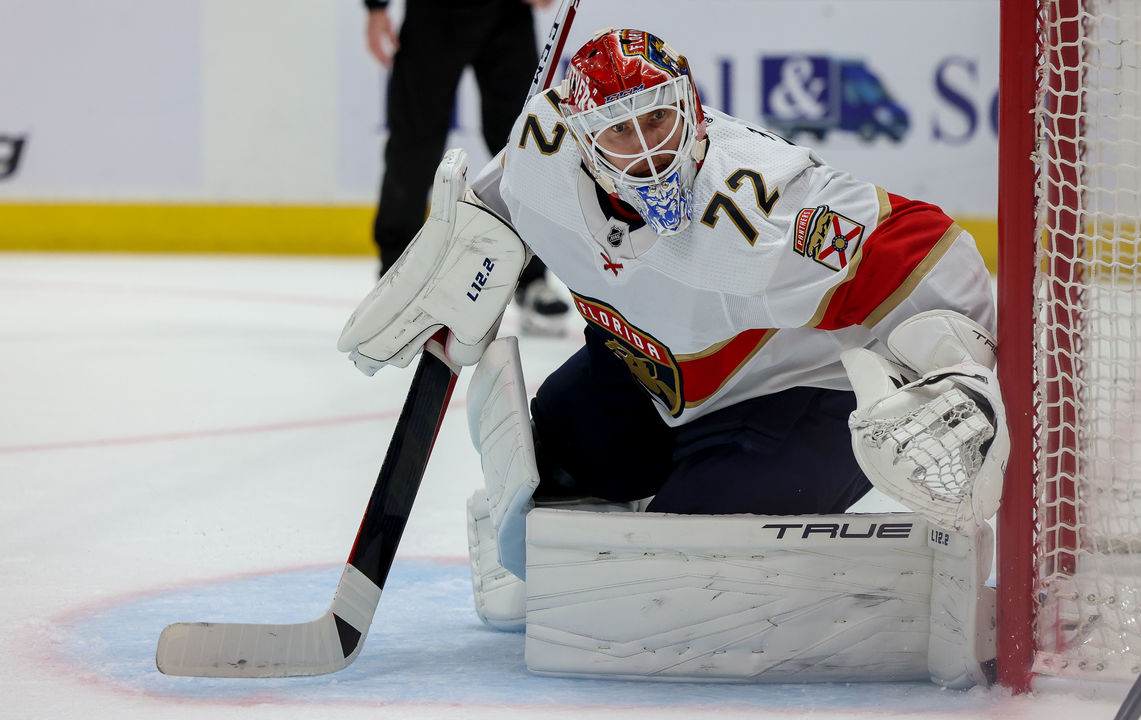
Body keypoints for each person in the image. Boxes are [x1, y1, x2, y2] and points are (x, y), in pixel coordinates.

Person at [337, 27, 1008, 686]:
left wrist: (960, 373)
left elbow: (928, 249)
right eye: (620, 132)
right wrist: (459, 257)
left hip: (794, 393)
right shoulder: (541, 149)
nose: (650, 151)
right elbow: (495, 199)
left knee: (678, 574)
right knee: (544, 477)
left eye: (660, 118)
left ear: (688, 104)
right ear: (578, 137)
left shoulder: (757, 201)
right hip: (651, 370)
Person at [362, 0, 569, 333]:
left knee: (524, 141)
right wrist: (376, 7)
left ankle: (531, 277)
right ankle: (394, 277)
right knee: (414, 143)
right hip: (435, 13)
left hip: (508, 13)